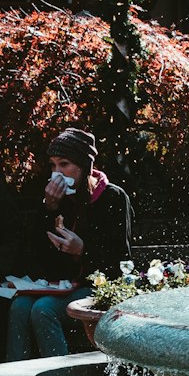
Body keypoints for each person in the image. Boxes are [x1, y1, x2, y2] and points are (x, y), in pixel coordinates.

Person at [5, 128, 133, 362]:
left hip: (95, 286)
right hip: (59, 286)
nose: (56, 173)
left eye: (64, 164)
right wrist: (48, 210)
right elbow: (37, 256)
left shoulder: (113, 198)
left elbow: (120, 262)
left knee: (43, 310)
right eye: (53, 166)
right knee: (20, 307)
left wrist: (83, 250)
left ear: (84, 166)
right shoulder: (57, 199)